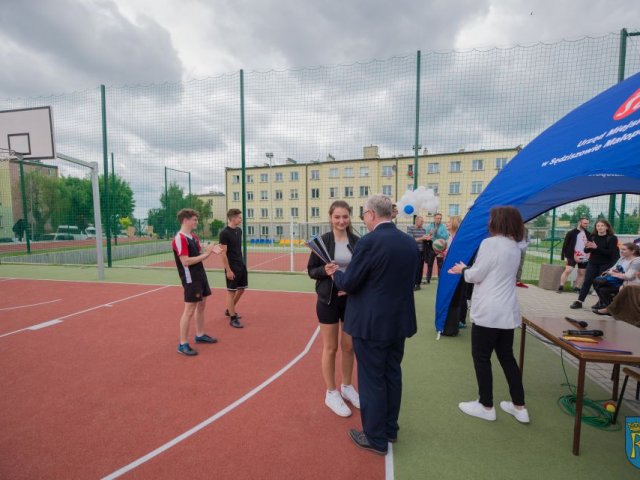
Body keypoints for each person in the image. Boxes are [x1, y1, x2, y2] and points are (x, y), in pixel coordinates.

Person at [328, 194, 418, 456]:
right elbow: (407, 279)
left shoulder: (369, 242)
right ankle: (390, 429)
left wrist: (336, 275)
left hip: (371, 324)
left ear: (370, 214)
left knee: (372, 380)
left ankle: (376, 438)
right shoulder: (409, 242)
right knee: (392, 374)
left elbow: (351, 283)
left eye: (362, 215)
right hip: (398, 322)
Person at [449, 206, 530, 424]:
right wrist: (469, 269)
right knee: (507, 357)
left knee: (482, 357)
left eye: (491, 218)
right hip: (506, 311)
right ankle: (519, 406)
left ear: (498, 222)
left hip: (489, 311)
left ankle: (486, 405)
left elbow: (478, 274)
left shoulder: (490, 243)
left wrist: (462, 269)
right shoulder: (516, 246)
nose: (488, 222)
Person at [307, 201, 360, 417]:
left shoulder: (358, 242)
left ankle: (347, 387)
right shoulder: (321, 242)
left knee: (349, 347)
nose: (341, 221)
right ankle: (331, 392)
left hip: (352, 301)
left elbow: (362, 271)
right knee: (331, 348)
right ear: (330, 217)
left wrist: (352, 287)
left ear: (350, 218)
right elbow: (311, 270)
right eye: (337, 217)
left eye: (345, 217)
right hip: (327, 301)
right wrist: (324, 270)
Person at [172, 208, 222, 356]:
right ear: (185, 220)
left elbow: (198, 255)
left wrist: (209, 250)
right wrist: (206, 254)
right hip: (190, 278)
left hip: (200, 274)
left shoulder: (193, 237)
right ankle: (183, 344)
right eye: (194, 219)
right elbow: (186, 261)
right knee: (189, 310)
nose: (196, 222)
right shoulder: (179, 239)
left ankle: (200, 335)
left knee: (201, 305)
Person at [570, 219, 619, 310]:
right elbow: (586, 250)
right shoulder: (592, 237)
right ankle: (579, 301)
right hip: (593, 263)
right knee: (587, 281)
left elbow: (610, 253)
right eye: (598, 226)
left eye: (602, 226)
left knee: (599, 283)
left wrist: (596, 247)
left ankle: (602, 302)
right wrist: (587, 247)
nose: (599, 228)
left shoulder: (612, 238)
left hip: (606, 264)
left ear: (607, 227)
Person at [219, 208, 248, 328]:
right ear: (233, 218)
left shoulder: (239, 231)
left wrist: (242, 264)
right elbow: (223, 253)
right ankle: (232, 317)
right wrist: (228, 270)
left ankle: (229, 310)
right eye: (239, 217)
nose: (241, 219)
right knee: (231, 292)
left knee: (241, 289)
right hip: (232, 267)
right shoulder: (224, 233)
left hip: (240, 264)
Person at [592, 242, 640, 311]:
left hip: (628, 284)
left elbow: (629, 276)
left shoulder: (636, 262)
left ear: (632, 251)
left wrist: (613, 273)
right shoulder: (622, 259)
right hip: (619, 281)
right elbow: (613, 268)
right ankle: (609, 308)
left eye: (624, 249)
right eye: (621, 249)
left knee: (598, 281)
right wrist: (610, 272)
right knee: (601, 289)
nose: (621, 251)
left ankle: (606, 306)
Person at [558, 218, 591, 293]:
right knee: (568, 270)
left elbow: (590, 245)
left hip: (584, 256)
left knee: (582, 272)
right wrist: (563, 255)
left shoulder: (588, 234)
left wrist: (589, 254)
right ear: (580, 223)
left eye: (587, 223)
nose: (587, 225)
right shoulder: (571, 233)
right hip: (572, 255)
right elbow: (565, 244)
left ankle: (577, 288)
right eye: (585, 223)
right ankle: (561, 286)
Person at [423, 213, 449, 284]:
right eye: (437, 218)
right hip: (431, 247)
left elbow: (445, 236)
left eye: (440, 218)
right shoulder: (429, 226)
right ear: (434, 218)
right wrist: (430, 234)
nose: (439, 220)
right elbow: (426, 235)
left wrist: (437, 233)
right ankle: (428, 279)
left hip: (440, 248)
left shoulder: (443, 227)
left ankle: (440, 279)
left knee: (440, 264)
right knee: (430, 264)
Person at [406, 215, 429, 290]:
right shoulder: (410, 228)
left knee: (420, 268)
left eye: (423, 221)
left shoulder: (423, 230)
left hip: (422, 252)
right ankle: (412, 284)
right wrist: (423, 238)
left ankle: (418, 284)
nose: (423, 222)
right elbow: (411, 240)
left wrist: (428, 239)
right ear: (416, 221)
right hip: (413, 251)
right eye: (421, 221)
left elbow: (423, 240)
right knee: (414, 268)